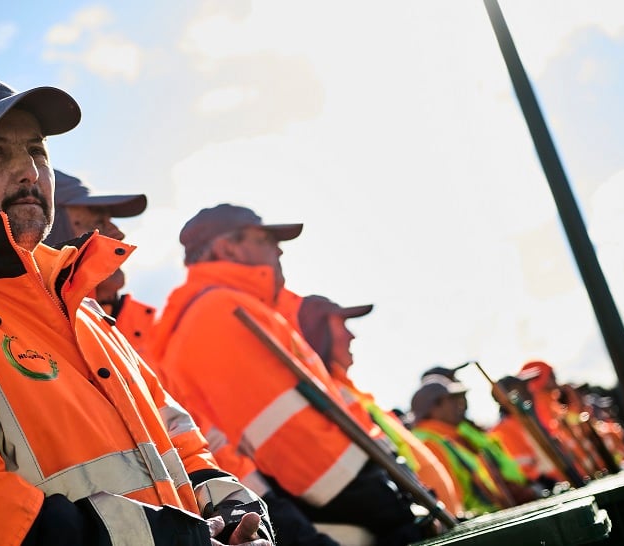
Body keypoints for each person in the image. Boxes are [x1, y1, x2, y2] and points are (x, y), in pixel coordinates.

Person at [0, 76, 272, 546]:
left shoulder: (87, 314)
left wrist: (236, 511)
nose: (29, 170)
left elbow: (180, 443)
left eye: (37, 150)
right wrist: (169, 540)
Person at [149, 203, 422, 545]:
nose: (278, 249)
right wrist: (377, 494)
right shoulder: (221, 310)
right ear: (227, 247)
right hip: (342, 489)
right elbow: (288, 431)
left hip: (311, 497)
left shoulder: (206, 312)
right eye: (265, 239)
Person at [292, 294, 464, 519]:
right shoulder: (328, 398)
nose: (352, 335)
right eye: (342, 324)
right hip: (416, 522)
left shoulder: (351, 393)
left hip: (436, 519)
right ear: (319, 332)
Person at [44, 169, 156, 357]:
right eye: (98, 223)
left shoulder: (135, 325)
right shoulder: (44, 337)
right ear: (53, 233)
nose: (119, 234)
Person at [410, 375, 538, 517]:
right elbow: (453, 502)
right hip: (478, 524)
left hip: (490, 517)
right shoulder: (430, 443)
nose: (460, 403)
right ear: (434, 408)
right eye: (452, 399)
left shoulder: (450, 435)